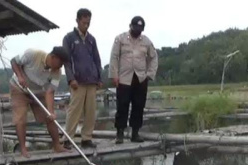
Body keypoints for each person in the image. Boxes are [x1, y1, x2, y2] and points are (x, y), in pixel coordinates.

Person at [10, 46, 71, 157]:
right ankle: (23, 149)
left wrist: (51, 112)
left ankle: (57, 146)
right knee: (20, 118)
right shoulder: (33, 54)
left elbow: (50, 91)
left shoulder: (57, 72)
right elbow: (14, 61)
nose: (61, 66)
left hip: (39, 91)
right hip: (19, 88)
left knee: (50, 117)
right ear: (53, 57)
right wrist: (20, 76)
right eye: (61, 63)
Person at [110, 16, 158, 144]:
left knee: (138, 106)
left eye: (140, 29)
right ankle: (120, 133)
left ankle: (135, 133)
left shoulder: (147, 41)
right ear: (130, 26)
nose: (138, 30)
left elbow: (153, 58)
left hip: (140, 79)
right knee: (122, 106)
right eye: (136, 27)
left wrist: (150, 74)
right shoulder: (120, 39)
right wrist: (114, 75)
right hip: (124, 78)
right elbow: (114, 57)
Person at [62, 8, 104, 149]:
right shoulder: (69, 38)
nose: (86, 25)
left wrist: (99, 77)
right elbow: (67, 61)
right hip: (77, 81)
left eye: (88, 23)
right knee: (74, 110)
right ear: (78, 21)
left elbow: (97, 59)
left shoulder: (92, 40)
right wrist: (70, 78)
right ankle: (68, 138)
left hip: (91, 80)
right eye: (84, 22)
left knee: (91, 111)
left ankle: (86, 138)